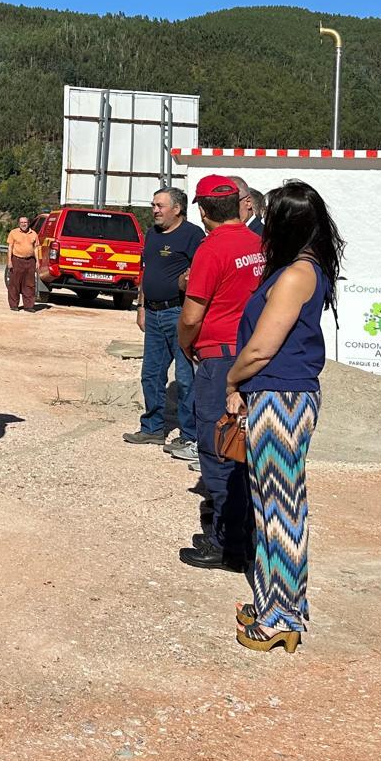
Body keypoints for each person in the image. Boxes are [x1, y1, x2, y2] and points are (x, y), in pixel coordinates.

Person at [227, 180, 341, 653]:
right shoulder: (306, 268)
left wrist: (232, 381)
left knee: (281, 509)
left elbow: (261, 349)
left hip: (280, 397)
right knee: (270, 502)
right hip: (284, 396)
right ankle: (275, 599)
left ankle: (284, 616)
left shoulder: (296, 274)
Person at [176, 175, 265, 572]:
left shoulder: (211, 249)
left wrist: (185, 344)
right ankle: (242, 532)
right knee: (244, 448)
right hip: (254, 357)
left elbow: (193, 315)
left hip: (219, 359)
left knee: (219, 447)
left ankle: (225, 544)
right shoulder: (258, 244)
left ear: (203, 210)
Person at [125, 187, 203, 456]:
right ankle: (153, 428)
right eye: (153, 205)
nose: (155, 210)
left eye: (160, 206)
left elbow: (199, 275)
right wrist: (142, 307)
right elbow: (146, 271)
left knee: (184, 378)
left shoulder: (193, 235)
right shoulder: (152, 234)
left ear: (177, 209)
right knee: (151, 374)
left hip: (178, 313)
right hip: (154, 313)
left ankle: (188, 434)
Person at [6, 216, 41, 311]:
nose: (23, 224)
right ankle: (14, 305)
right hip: (17, 260)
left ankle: (28, 306)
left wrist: (38, 261)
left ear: (28, 223)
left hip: (30, 261)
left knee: (29, 284)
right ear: (19, 223)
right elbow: (10, 247)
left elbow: (36, 248)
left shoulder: (33, 234)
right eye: (21, 222)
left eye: (25, 222)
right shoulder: (13, 233)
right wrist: (9, 261)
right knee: (14, 283)